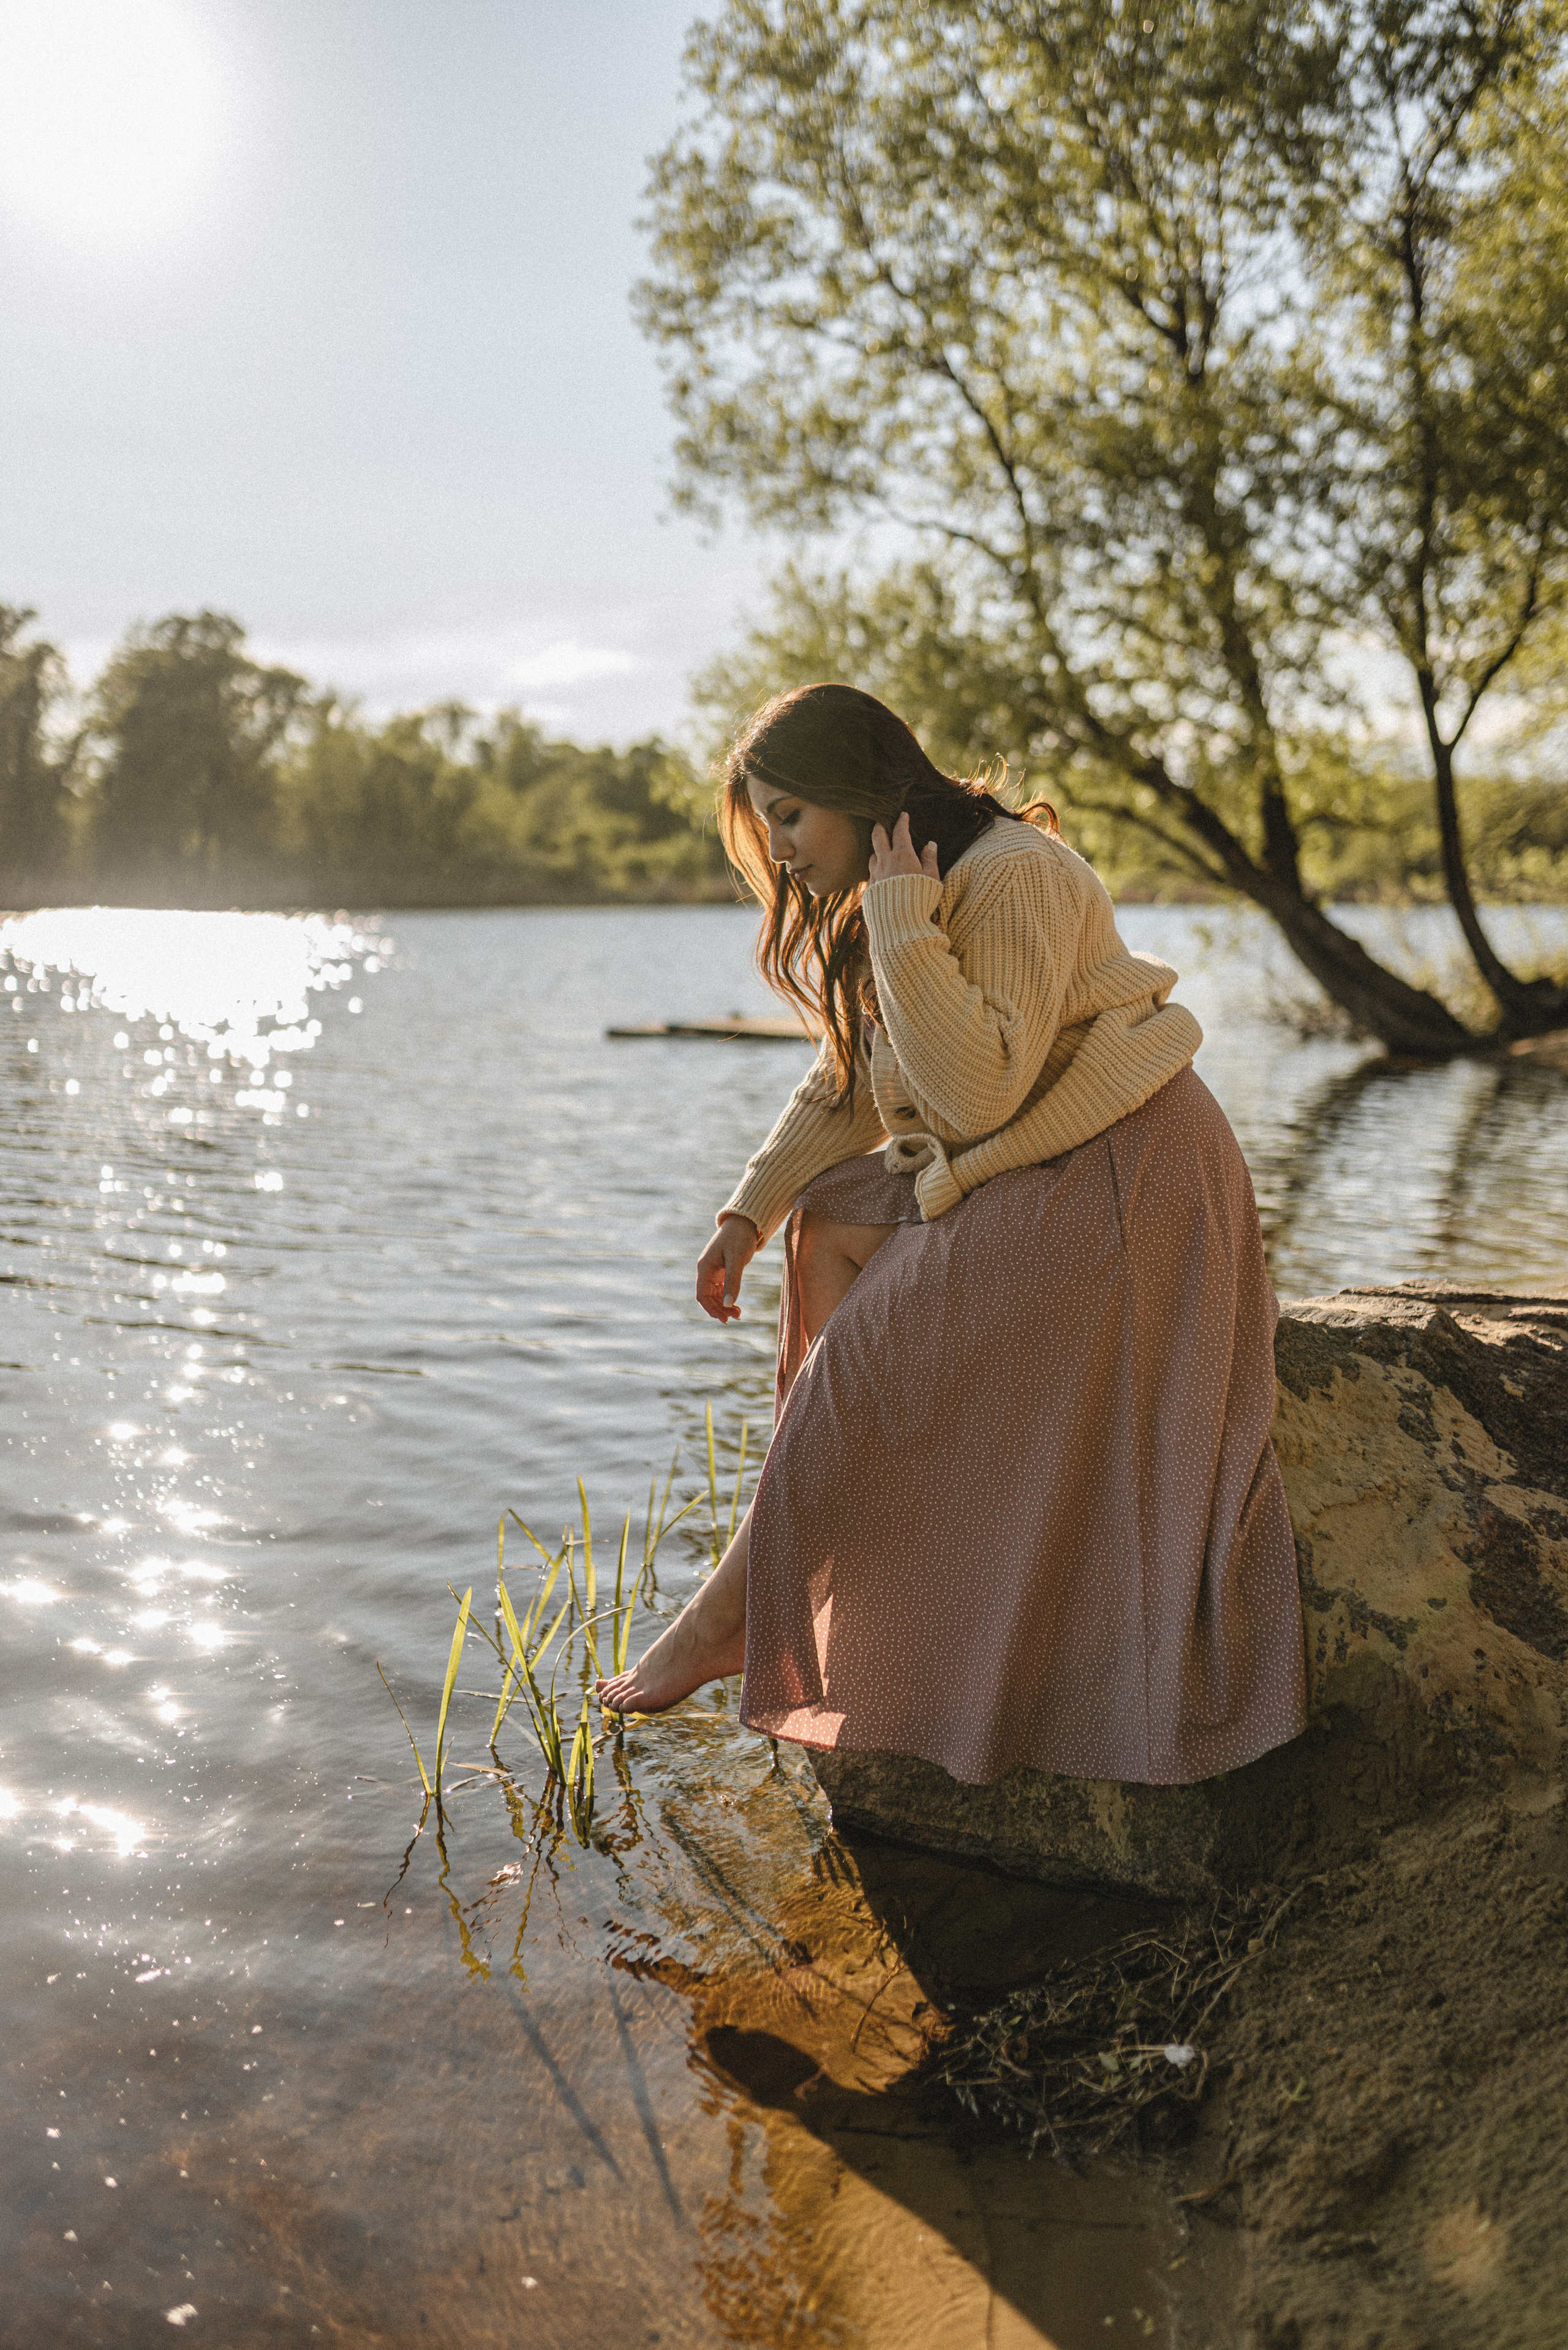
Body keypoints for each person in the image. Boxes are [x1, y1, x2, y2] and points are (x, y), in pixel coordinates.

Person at [598, 684, 1306, 1788]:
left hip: (1123, 1172)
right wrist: (746, 1212)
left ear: (854, 789)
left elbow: (974, 1094)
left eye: (790, 817)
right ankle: (840, 1529)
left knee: (856, 1372)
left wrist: (899, 923)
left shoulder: (1009, 875)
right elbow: (859, 1084)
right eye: (767, 824)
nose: (781, 852)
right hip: (1034, 1158)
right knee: (824, 1222)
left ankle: (731, 1604)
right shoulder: (916, 883)